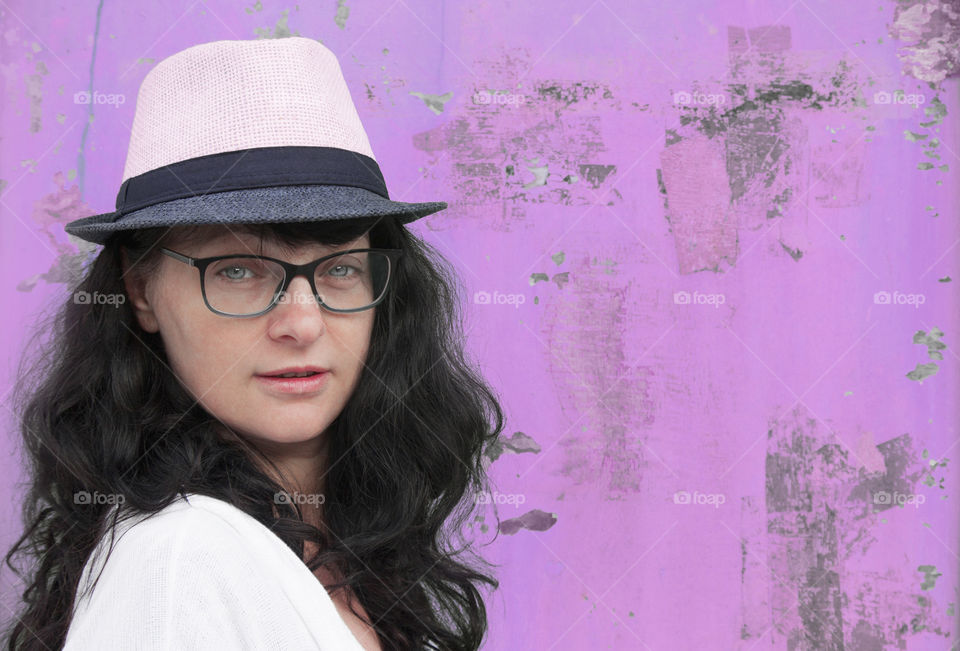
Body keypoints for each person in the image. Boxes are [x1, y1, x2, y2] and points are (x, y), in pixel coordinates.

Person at [2, 36, 504, 651]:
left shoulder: (346, 549)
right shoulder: (180, 558)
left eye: (341, 268)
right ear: (140, 289)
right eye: (238, 270)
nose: (302, 324)